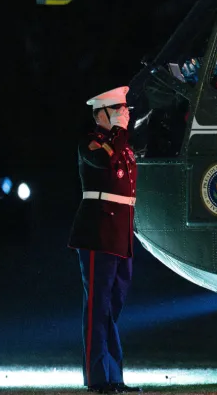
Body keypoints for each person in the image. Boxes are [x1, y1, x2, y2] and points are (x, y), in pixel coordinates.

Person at [68, 86, 141, 394]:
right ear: (100, 114)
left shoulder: (121, 144)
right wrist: (118, 132)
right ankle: (98, 377)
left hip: (119, 232)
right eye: (116, 111)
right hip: (98, 229)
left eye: (124, 110)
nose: (122, 116)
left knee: (112, 306)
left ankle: (113, 375)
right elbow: (105, 163)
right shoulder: (92, 143)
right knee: (98, 306)